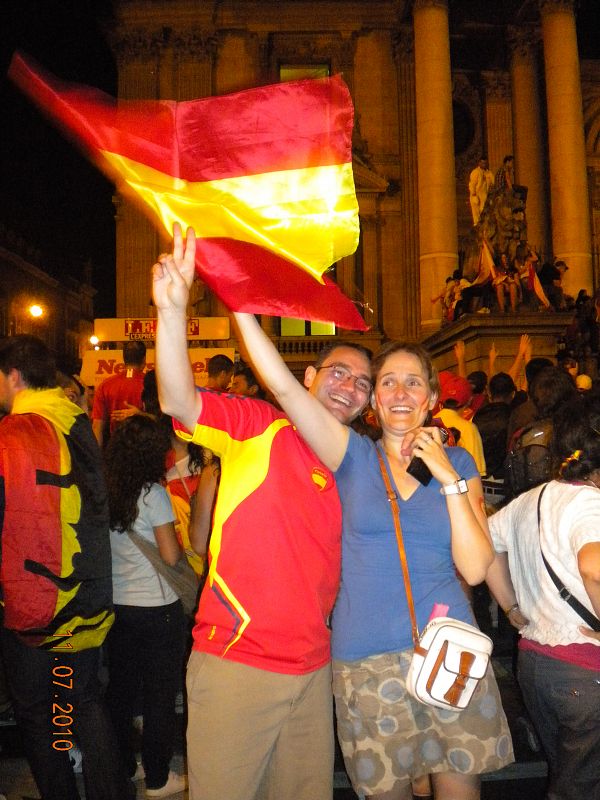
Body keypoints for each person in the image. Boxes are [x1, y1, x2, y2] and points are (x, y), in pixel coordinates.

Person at [229, 314, 513, 798]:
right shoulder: (352, 456)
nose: (400, 393)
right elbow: (286, 389)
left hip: (449, 649)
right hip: (366, 657)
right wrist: (241, 308)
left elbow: (472, 566)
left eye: (413, 383)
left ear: (430, 398)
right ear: (374, 400)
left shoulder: (458, 463)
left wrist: (449, 479)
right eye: (388, 383)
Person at [153, 224, 372, 800]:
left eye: (362, 383)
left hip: (313, 667)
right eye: (338, 373)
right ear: (308, 378)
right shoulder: (258, 425)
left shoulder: (358, 463)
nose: (350, 387)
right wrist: (172, 313)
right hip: (237, 662)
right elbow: (179, 399)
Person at [0, 335, 133, 800]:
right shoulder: (76, 421)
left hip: (36, 601)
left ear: (13, 376)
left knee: (39, 710)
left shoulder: (16, 433)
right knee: (81, 701)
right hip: (88, 593)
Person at [486, 394, 600, 800]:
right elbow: (594, 569)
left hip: (536, 664)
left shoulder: (532, 499)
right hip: (585, 673)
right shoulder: (590, 503)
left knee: (569, 779)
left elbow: (486, 541)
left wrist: (510, 604)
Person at [104, 414, 187, 799]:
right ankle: (157, 778)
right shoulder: (154, 493)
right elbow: (170, 556)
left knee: (120, 692)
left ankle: (123, 767)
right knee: (159, 696)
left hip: (118, 608)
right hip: (158, 609)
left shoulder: (103, 489)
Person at [91, 340, 146, 447]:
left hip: (116, 448)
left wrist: (97, 459)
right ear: (144, 360)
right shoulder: (152, 385)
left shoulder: (105, 385)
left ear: (124, 359)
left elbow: (97, 426)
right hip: (146, 448)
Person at [468, 157, 494, 225]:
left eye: (485, 163)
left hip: (485, 195)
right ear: (479, 163)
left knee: (485, 213)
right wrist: (474, 195)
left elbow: (493, 183)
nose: (484, 164)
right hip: (477, 195)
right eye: (482, 163)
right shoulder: (475, 172)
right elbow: (472, 184)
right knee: (477, 216)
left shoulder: (489, 173)